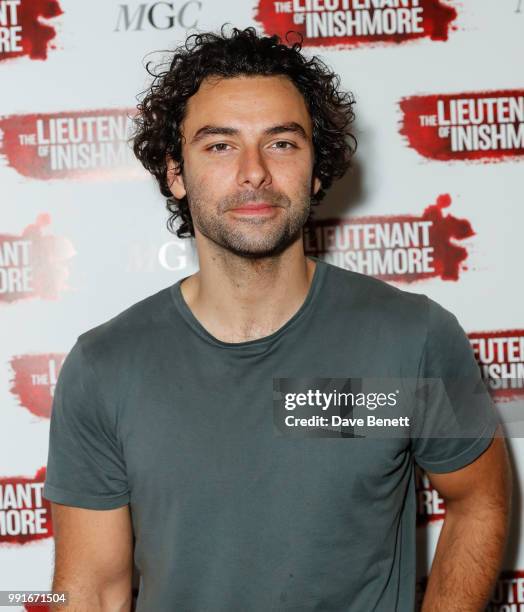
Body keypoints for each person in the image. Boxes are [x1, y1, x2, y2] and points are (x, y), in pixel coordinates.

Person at [43, 25, 512, 612]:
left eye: (282, 143)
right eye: (219, 145)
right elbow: (91, 591)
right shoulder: (105, 367)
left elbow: (479, 497)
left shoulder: (408, 337)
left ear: (317, 169)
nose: (254, 172)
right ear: (175, 173)